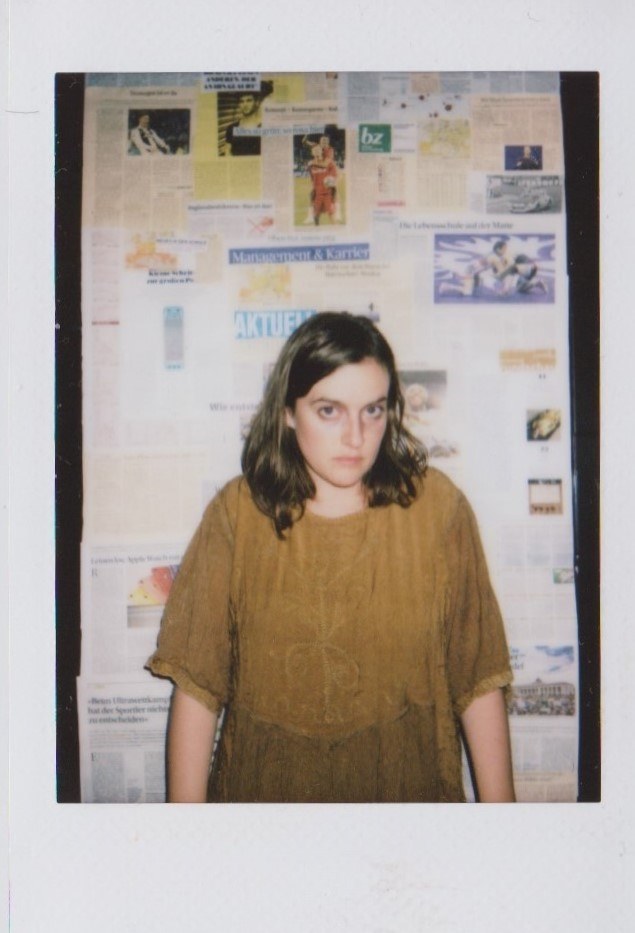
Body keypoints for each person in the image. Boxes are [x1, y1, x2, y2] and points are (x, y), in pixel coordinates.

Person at [147, 312, 515, 803]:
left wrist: (505, 825)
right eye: (329, 411)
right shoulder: (236, 515)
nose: (356, 437)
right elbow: (198, 688)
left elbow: (478, 679)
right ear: (288, 411)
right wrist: (182, 837)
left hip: (405, 805)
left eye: (373, 410)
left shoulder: (438, 511)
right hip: (267, 808)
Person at [222, 81, 273, 157]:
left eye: (249, 100)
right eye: (241, 101)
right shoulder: (231, 128)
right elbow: (227, 152)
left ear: (257, 102)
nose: (245, 105)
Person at [307, 145, 338, 225]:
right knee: (316, 215)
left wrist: (331, 183)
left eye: (318, 150)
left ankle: (335, 229)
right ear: (312, 153)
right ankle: (317, 229)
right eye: (314, 150)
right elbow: (312, 178)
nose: (316, 151)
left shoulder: (328, 162)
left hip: (328, 193)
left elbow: (335, 175)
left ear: (321, 151)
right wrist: (313, 190)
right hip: (317, 193)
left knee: (331, 214)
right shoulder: (311, 165)